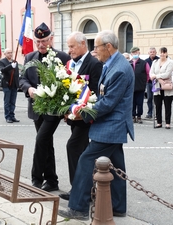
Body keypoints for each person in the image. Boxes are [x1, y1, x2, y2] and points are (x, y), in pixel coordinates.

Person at [58, 30, 134, 220]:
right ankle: (118, 206)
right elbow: (101, 96)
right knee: (116, 166)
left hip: (111, 126)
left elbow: (108, 102)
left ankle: (78, 208)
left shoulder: (119, 69)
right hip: (111, 124)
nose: (95, 51)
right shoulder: (111, 64)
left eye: (97, 47)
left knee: (85, 160)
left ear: (108, 47)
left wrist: (80, 113)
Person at [19, 23, 70, 192]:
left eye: (44, 41)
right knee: (46, 143)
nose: (41, 45)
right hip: (36, 108)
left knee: (41, 140)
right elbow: (22, 79)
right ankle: (52, 180)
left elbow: (69, 81)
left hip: (53, 110)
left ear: (51, 39)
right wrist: (29, 89)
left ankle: (36, 178)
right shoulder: (29, 57)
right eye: (38, 42)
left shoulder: (62, 57)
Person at [59, 31, 102, 201]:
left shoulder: (94, 64)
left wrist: (82, 111)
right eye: (68, 47)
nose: (69, 50)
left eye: (72, 46)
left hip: (86, 118)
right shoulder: (70, 64)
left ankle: (79, 191)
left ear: (83, 44)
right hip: (74, 118)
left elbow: (96, 92)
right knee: (81, 152)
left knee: (73, 148)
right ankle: (84, 188)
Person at [150, 47, 173, 129]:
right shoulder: (155, 62)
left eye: (164, 52)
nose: (162, 54)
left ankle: (168, 123)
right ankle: (159, 122)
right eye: (161, 52)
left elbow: (167, 74)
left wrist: (157, 77)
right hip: (157, 86)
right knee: (158, 105)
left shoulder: (170, 63)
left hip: (166, 86)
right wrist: (159, 79)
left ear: (166, 53)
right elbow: (151, 73)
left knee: (167, 105)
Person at [0, 48, 20, 123]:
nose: (10, 54)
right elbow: (2, 70)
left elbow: (16, 74)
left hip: (14, 84)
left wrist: (18, 84)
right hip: (7, 84)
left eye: (11, 52)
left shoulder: (15, 62)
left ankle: (12, 116)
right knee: (7, 101)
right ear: (5, 54)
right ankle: (7, 117)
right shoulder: (1, 61)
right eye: (8, 53)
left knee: (13, 102)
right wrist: (10, 66)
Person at [130, 46, 150, 124]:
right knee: (132, 102)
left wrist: (145, 81)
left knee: (140, 102)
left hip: (140, 86)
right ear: (131, 54)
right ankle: (133, 116)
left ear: (139, 53)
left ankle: (139, 116)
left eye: (137, 52)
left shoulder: (144, 63)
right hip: (131, 86)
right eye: (134, 53)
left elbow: (148, 73)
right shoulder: (129, 63)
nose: (135, 54)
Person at [145, 47, 159, 119]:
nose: (152, 53)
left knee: (157, 99)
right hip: (149, 82)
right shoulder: (146, 61)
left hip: (157, 82)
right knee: (149, 98)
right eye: (151, 52)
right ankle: (150, 112)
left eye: (153, 52)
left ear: (156, 53)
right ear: (148, 53)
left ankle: (157, 114)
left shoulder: (159, 60)